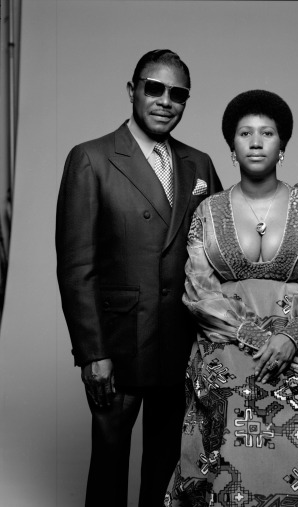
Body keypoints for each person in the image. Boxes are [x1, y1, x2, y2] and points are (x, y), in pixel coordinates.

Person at [164, 89, 298, 507]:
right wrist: (252, 335)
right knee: (227, 405)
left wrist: (291, 337)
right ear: (231, 147)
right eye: (244, 133)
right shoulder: (208, 211)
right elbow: (199, 292)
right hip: (226, 344)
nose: (255, 141)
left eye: (267, 133)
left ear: (282, 145)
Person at [56, 49, 223, 507]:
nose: (166, 101)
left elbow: (218, 251)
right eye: (155, 88)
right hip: (118, 344)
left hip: (180, 342)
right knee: (109, 471)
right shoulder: (91, 159)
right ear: (133, 91)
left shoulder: (199, 164)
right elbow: (76, 267)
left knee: (169, 472)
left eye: (178, 94)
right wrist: (93, 352)